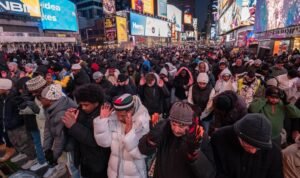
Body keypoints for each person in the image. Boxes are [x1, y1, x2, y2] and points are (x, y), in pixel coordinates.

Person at [138, 102, 215, 178]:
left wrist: (195, 155)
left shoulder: (199, 136)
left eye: (182, 126)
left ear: (190, 123)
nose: (176, 130)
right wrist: (151, 139)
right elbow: (143, 150)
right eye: (173, 124)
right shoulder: (163, 129)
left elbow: (209, 173)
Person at [93, 93, 150, 178]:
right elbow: (104, 143)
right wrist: (103, 121)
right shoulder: (114, 119)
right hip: (114, 172)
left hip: (134, 174)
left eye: (122, 115)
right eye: (117, 114)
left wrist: (129, 133)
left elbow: (140, 155)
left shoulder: (142, 122)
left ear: (131, 110)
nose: (119, 118)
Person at [211, 113, 284, 178]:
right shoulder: (219, 139)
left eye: (258, 148)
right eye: (250, 146)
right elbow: (214, 170)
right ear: (239, 136)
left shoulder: (274, 152)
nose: (253, 151)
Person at [62, 84, 110, 178]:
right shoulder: (80, 111)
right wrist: (69, 122)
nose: (83, 107)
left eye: (86, 105)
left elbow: (95, 141)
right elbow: (72, 133)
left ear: (96, 102)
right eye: (81, 104)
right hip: (83, 159)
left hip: (98, 164)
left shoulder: (104, 115)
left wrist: (73, 125)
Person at [39, 84, 78, 178]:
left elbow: (60, 137)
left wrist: (53, 157)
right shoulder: (51, 108)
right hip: (63, 144)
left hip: (71, 145)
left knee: (73, 168)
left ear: (50, 100)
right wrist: (47, 149)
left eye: (42, 98)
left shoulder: (61, 113)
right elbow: (48, 128)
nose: (40, 100)